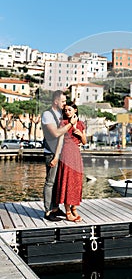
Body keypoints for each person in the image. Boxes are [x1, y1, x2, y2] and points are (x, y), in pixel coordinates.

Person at [41, 90, 78, 221]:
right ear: (56, 101)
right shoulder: (47, 114)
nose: (64, 104)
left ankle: (55, 208)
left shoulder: (60, 114)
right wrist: (71, 124)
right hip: (51, 153)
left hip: (61, 154)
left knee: (57, 182)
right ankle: (48, 211)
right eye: (62, 101)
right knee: (50, 182)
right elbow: (56, 133)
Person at [49, 101, 86, 222]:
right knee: (67, 181)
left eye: (69, 110)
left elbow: (84, 142)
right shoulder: (63, 123)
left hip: (76, 155)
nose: (67, 112)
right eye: (65, 110)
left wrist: (80, 134)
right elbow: (60, 141)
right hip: (66, 153)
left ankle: (74, 207)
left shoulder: (81, 124)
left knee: (76, 181)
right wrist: (56, 157)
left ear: (75, 110)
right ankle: (68, 211)